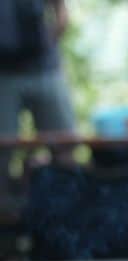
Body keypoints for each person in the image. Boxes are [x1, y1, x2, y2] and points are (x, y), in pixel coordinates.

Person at [0, 0, 75, 207]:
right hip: (3, 74)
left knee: (65, 145)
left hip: (45, 68)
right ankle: (6, 219)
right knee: (2, 151)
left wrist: (49, 42)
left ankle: (68, 209)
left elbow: (61, 12)